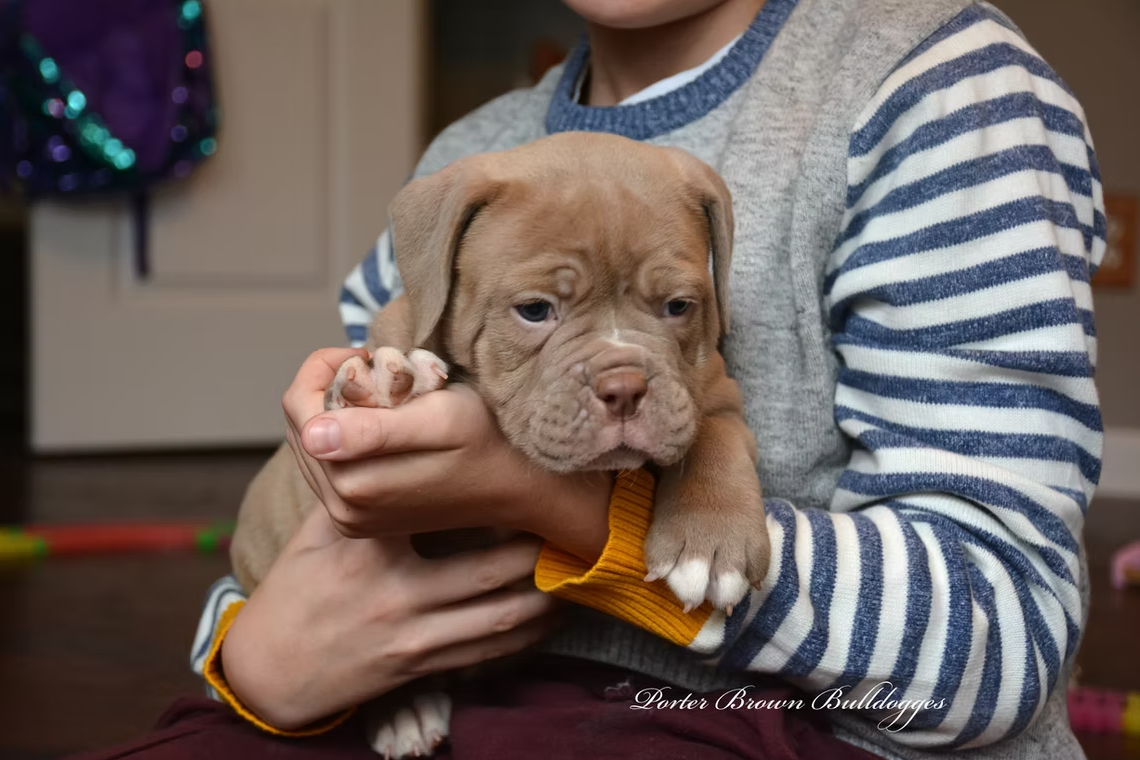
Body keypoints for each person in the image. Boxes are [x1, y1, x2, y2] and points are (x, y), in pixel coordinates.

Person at [88, 0, 1106, 758]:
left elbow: (998, 643)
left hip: (784, 725)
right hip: (440, 698)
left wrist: (575, 508)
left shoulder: (935, 89)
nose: (621, 372)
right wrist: (249, 656)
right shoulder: (472, 160)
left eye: (675, 307)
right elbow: (289, 544)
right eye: (537, 309)